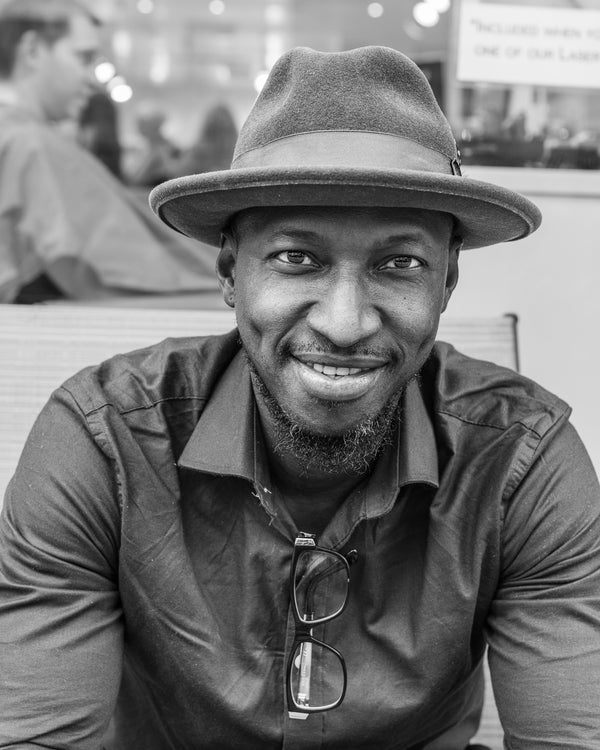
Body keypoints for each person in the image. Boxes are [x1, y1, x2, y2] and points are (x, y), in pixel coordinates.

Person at [1, 45, 599, 750]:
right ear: (231, 272)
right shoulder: (105, 443)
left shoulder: (519, 460)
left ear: (447, 283)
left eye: (399, 264)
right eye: (297, 258)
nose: (344, 324)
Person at [0, 0, 219, 304]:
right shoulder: (29, 146)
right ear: (33, 50)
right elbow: (88, 263)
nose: (91, 78)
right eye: (83, 57)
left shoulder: (27, 140)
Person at [176, 103, 238, 176]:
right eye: (216, 131)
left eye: (225, 131)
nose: (221, 138)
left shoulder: (237, 151)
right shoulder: (197, 152)